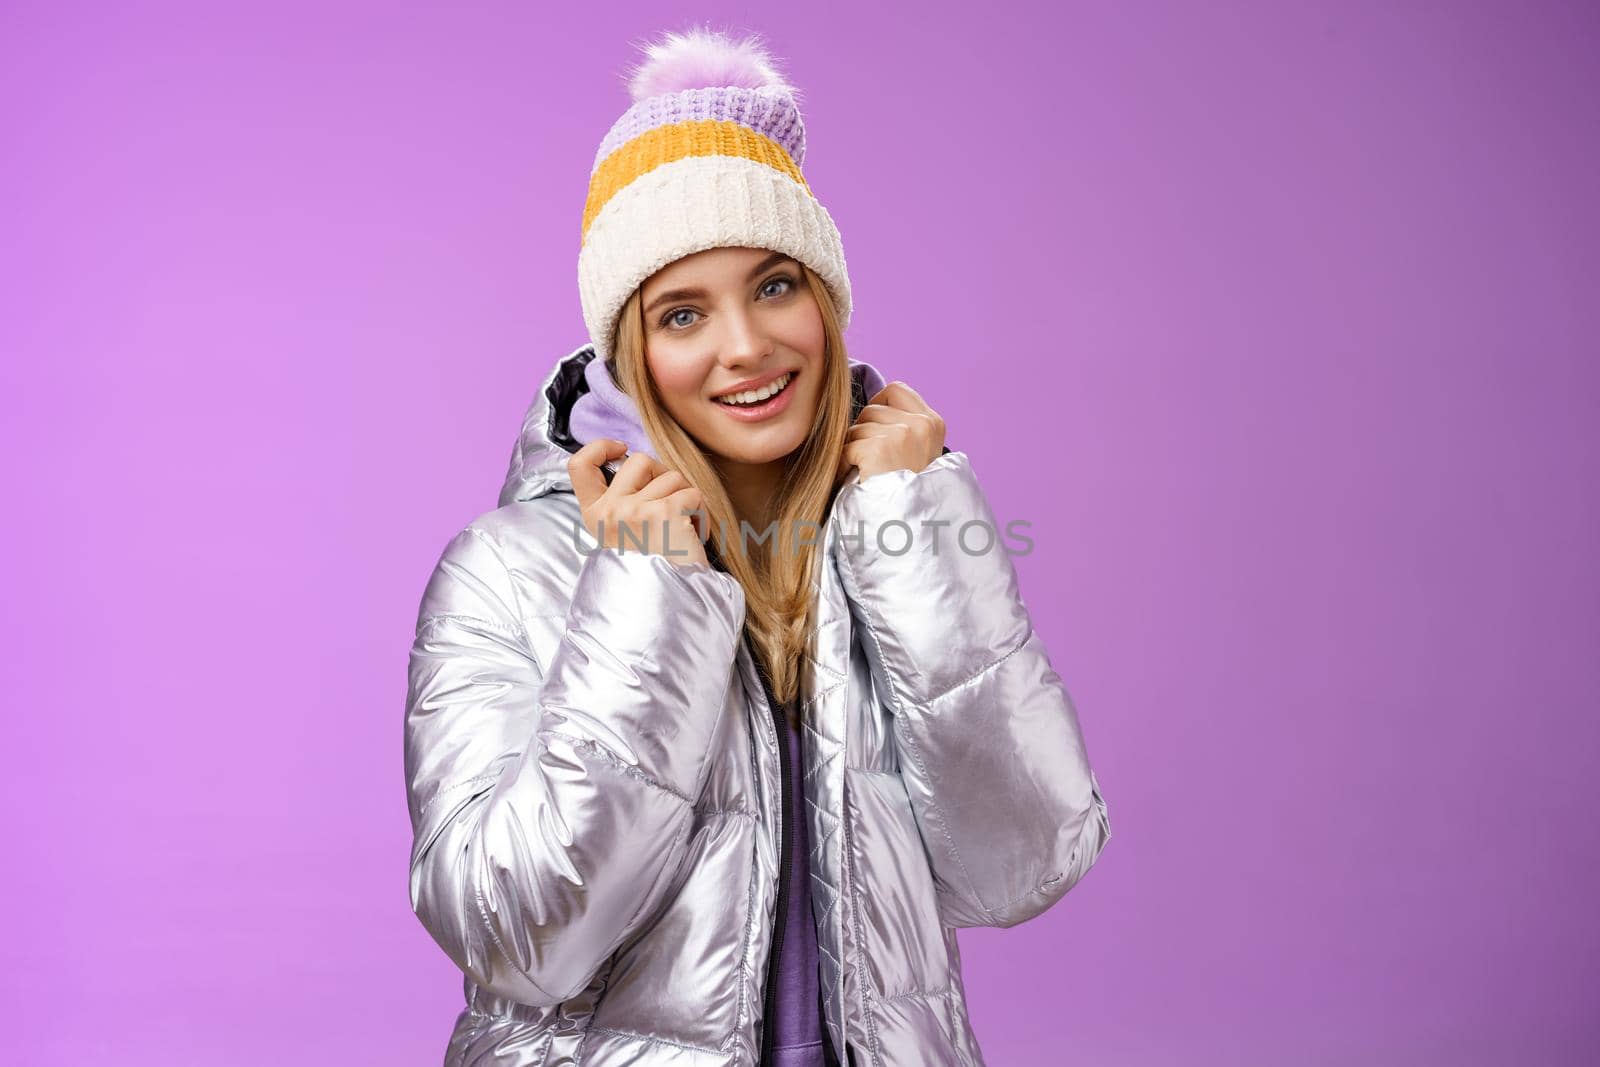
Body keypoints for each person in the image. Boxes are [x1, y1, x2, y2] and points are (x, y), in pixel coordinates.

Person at [403, 26, 1111, 1067]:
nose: (745, 345)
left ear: (825, 302)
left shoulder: (894, 532)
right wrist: (649, 592)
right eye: (683, 312)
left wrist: (914, 527)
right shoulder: (508, 569)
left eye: (776, 285)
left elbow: (1022, 865)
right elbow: (520, 938)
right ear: (628, 351)